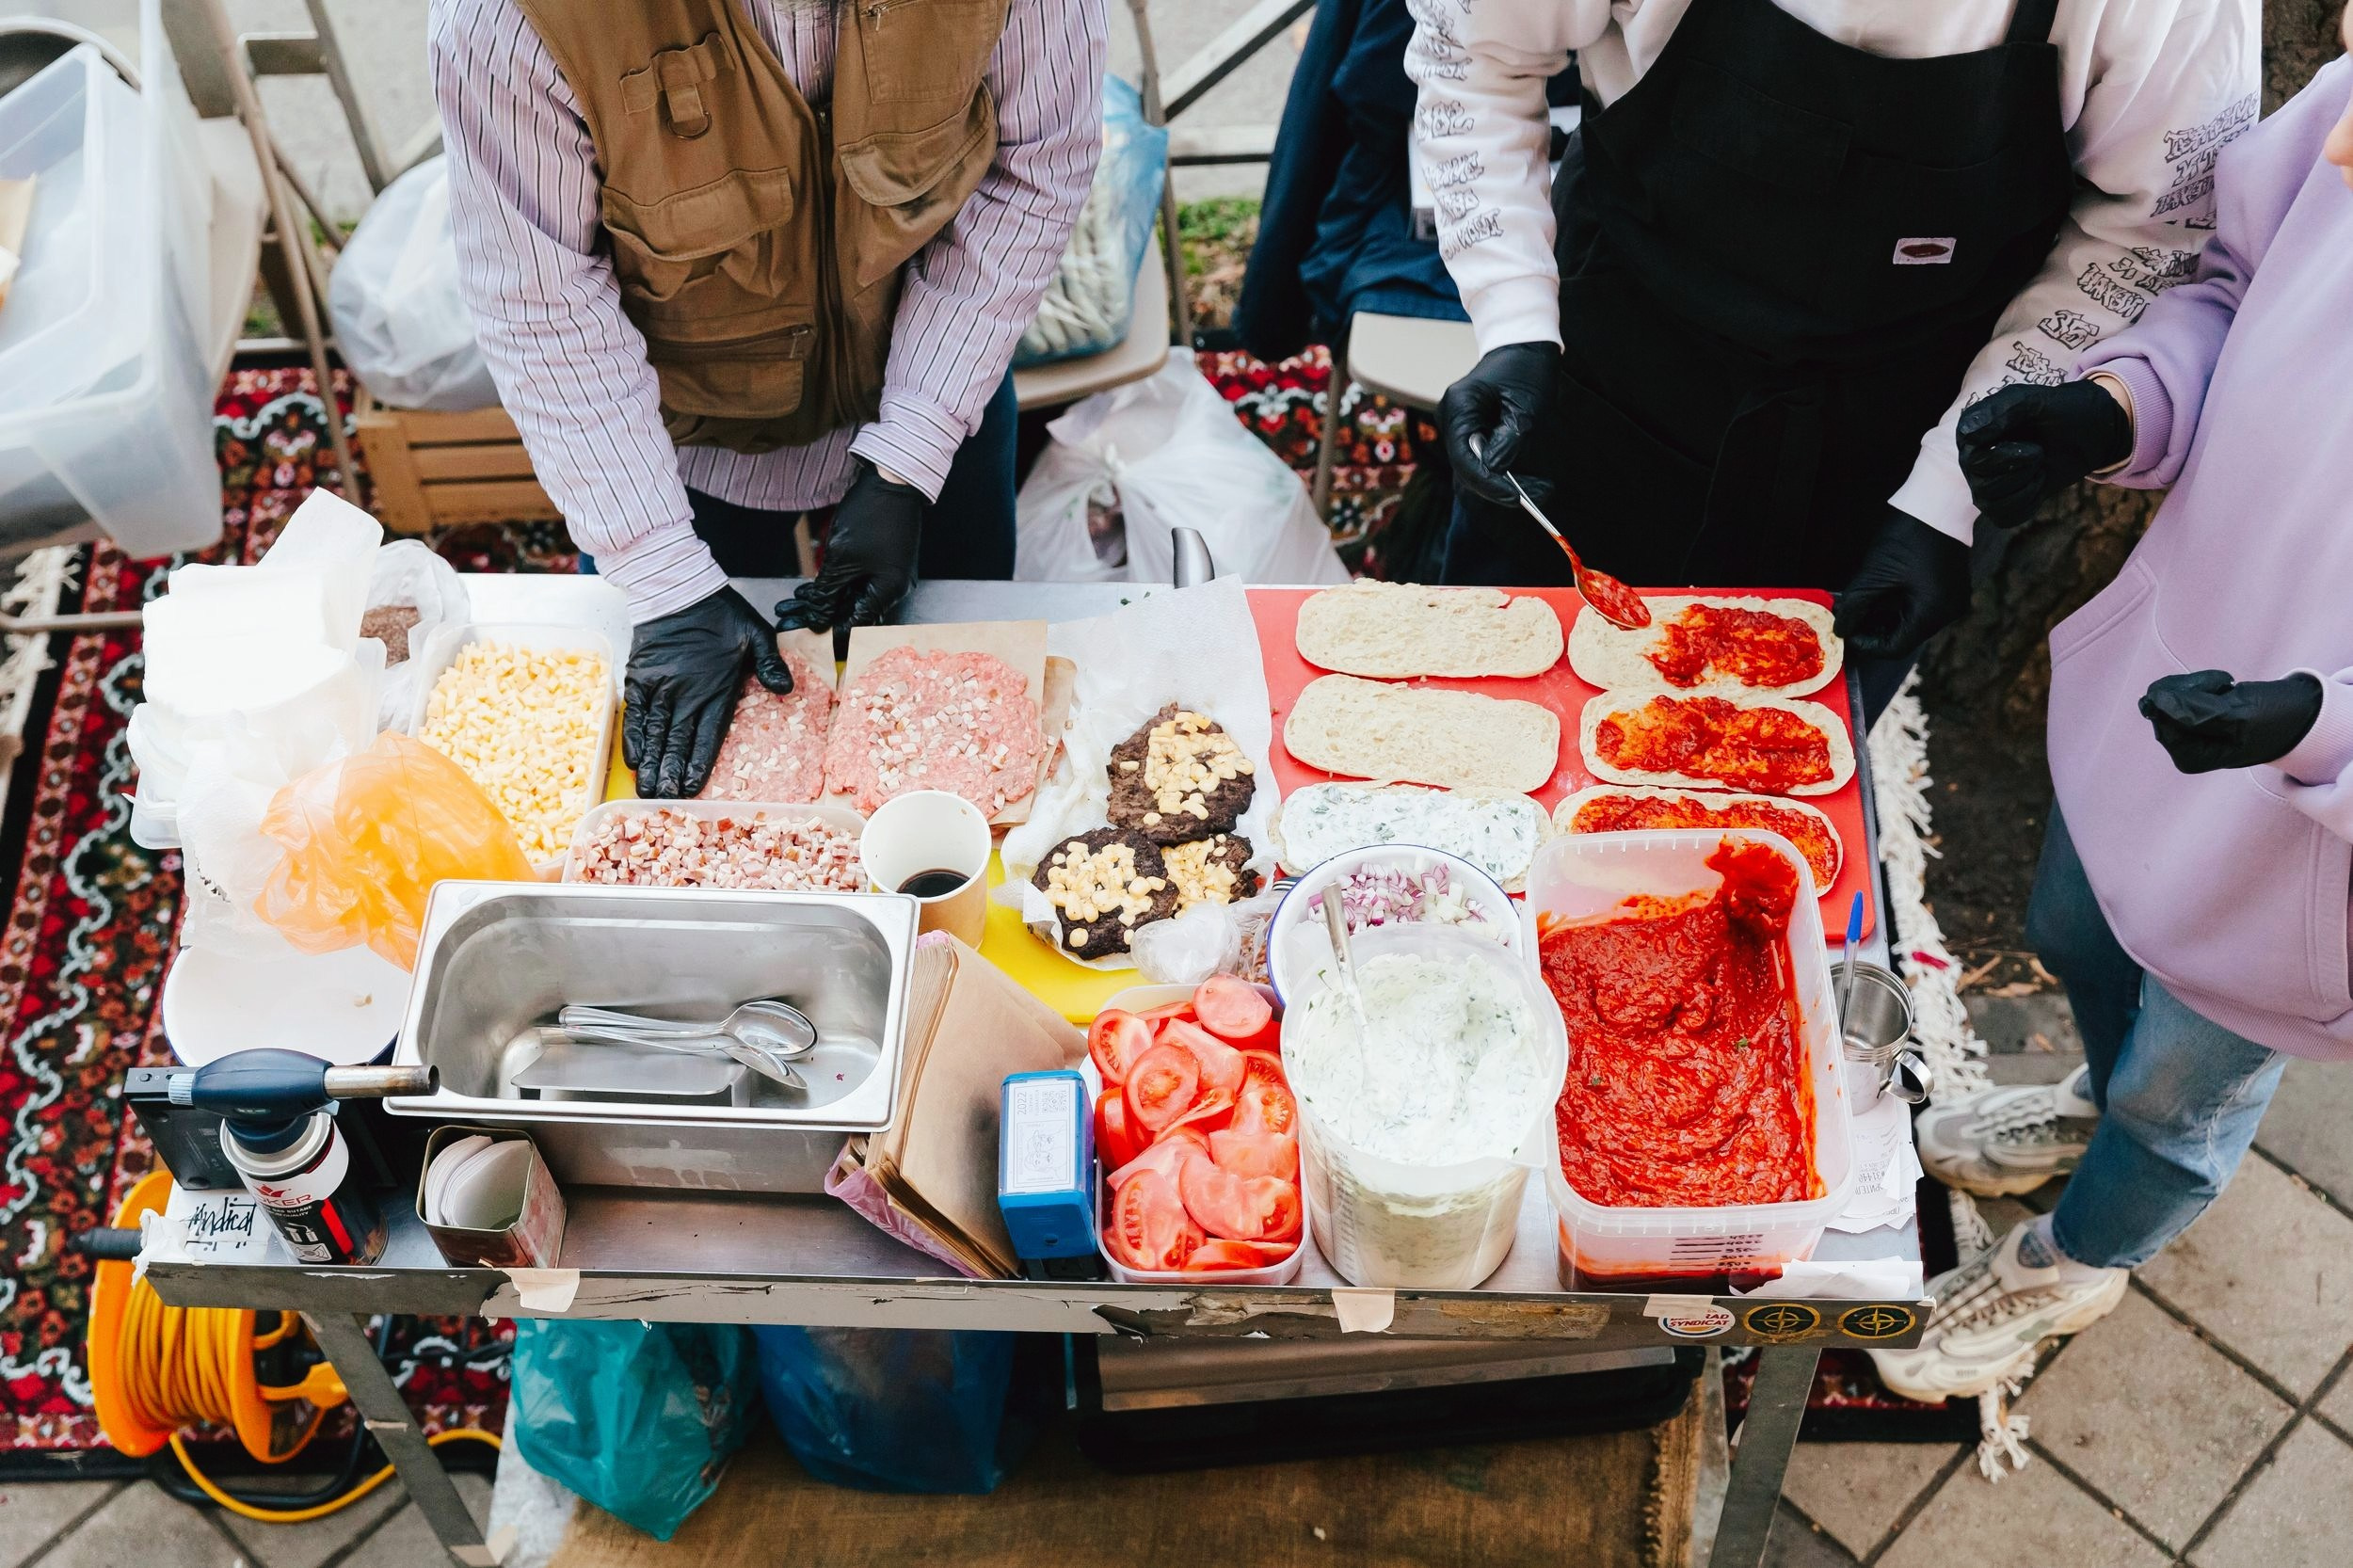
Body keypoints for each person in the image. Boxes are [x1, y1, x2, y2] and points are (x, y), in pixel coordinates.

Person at [1872, 29, 2353, 1401]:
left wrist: (2310, 722)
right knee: (2075, 928)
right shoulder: (2349, 121)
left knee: (2179, 1094)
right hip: (2163, 687)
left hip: (2315, 848)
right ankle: (2089, 1098)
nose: (2333, 149)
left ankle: (2079, 1257)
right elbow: (2235, 285)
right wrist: (2113, 408)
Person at [1405, 0, 2258, 714]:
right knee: (1482, 722)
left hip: (1897, 443)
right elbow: (1476, 54)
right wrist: (1514, 318)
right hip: (1608, 358)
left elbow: (2146, 233)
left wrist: (1943, 501)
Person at [429, 0, 1106, 797]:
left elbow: (1034, 169)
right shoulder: (507, 19)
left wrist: (910, 450)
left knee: (970, 741)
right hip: (671, 442)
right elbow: (541, 301)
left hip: (939, 386)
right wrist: (665, 579)